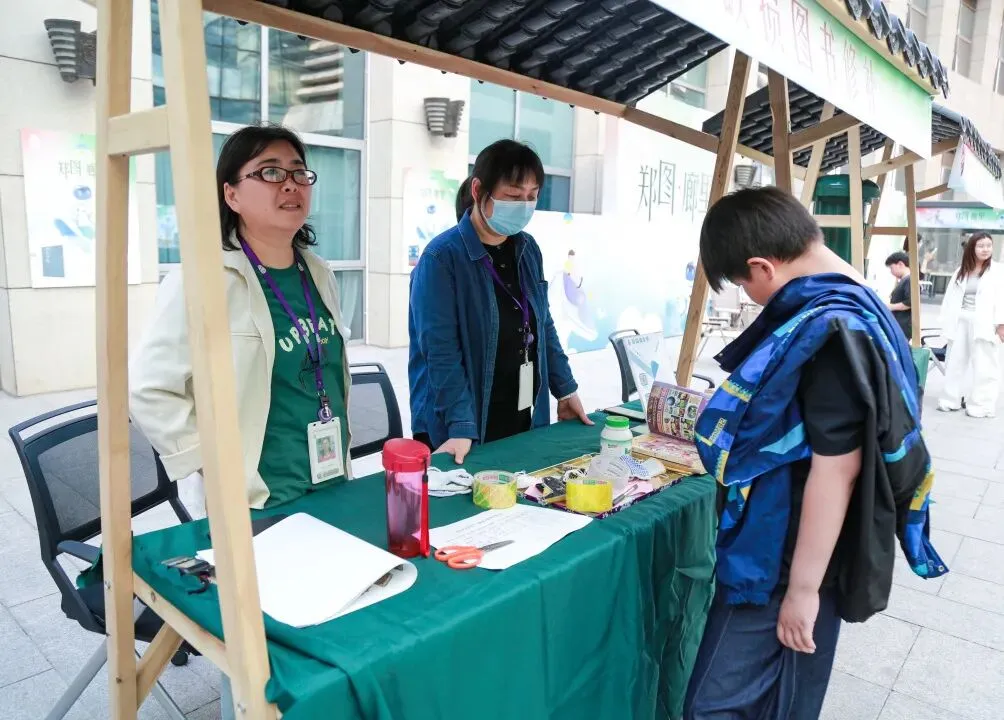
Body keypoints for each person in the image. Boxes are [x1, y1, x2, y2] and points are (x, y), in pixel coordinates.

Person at [683, 187, 943, 720]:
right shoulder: (861, 302)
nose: (750, 297)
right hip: (813, 546)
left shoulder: (830, 330)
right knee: (787, 698)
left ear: (762, 267)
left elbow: (837, 467)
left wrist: (802, 590)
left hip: (785, 553)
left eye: (743, 284)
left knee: (713, 704)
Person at [130, 123, 354, 516]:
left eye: (298, 172)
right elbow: (149, 388)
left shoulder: (319, 273)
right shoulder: (202, 279)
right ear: (231, 194)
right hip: (257, 502)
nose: (290, 184)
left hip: (333, 482)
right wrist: (211, 467)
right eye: (271, 172)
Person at [408, 139, 591, 463]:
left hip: (518, 413)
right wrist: (460, 426)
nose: (524, 206)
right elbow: (440, 352)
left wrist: (565, 388)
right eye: (513, 196)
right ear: (479, 190)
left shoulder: (528, 249)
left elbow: (543, 324)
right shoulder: (441, 258)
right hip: (458, 426)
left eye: (532, 196)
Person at [937, 231, 1004, 418]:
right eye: (981, 246)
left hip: (985, 322)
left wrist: (1001, 324)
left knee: (985, 365)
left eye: (988, 246)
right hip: (960, 321)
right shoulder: (961, 270)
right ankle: (950, 399)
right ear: (972, 248)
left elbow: (1002, 298)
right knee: (954, 362)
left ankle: (982, 404)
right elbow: (949, 298)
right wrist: (946, 322)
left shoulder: (998, 271)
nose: (985, 249)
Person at [884, 251, 912, 341]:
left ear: (900, 264)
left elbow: (910, 302)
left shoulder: (909, 280)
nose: (891, 272)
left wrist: (891, 307)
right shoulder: (905, 280)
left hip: (903, 326)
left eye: (891, 268)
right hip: (900, 325)